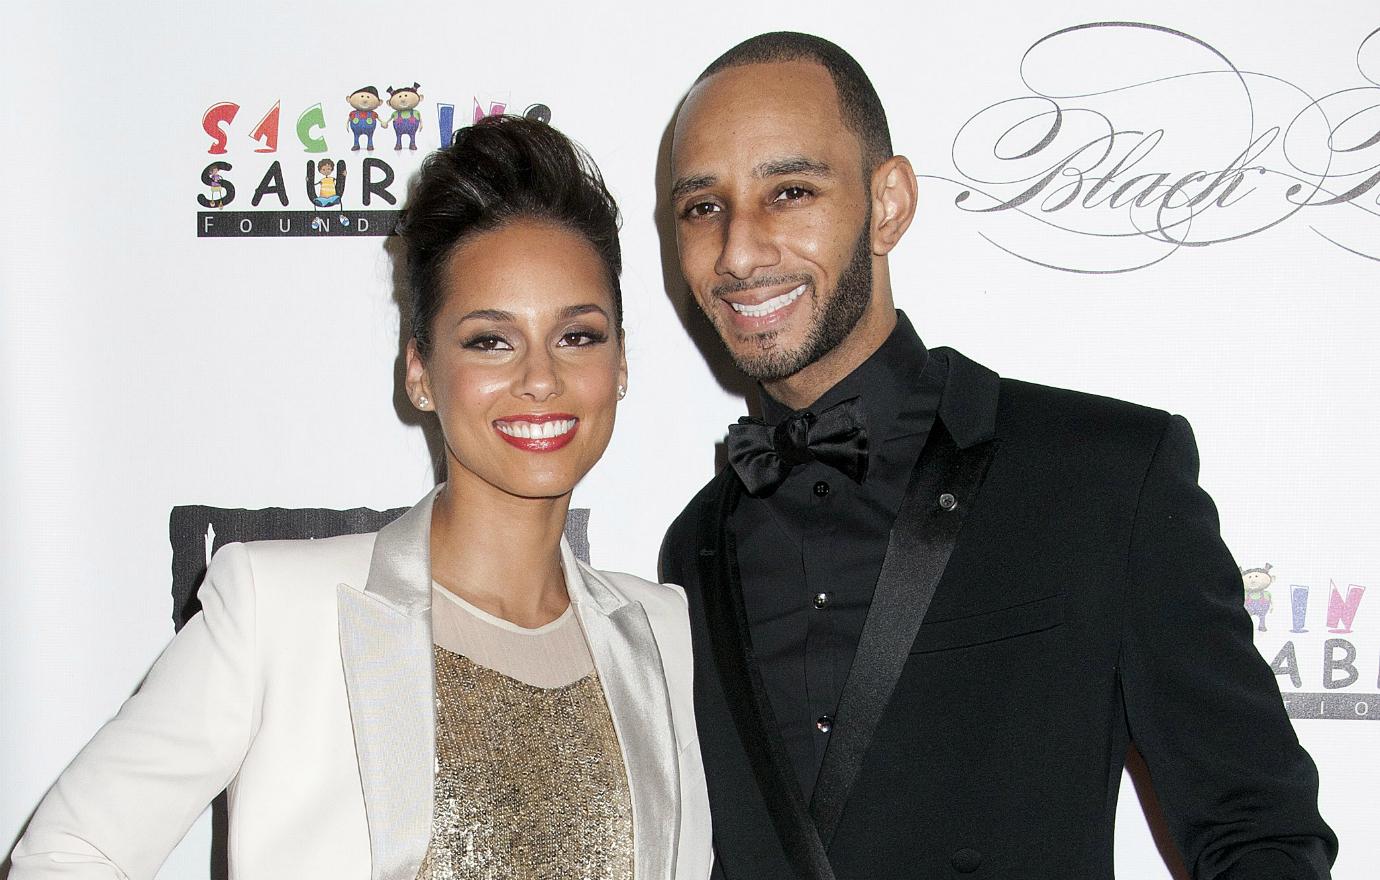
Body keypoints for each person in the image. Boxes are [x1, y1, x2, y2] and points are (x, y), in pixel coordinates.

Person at [659, 31, 1336, 880]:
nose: (740, 250)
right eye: (702, 207)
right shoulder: (693, 547)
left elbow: (1259, 832)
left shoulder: (1104, 477)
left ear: (891, 203)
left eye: (789, 191)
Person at [12, 116, 712, 880]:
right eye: (490, 340)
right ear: (419, 369)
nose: (540, 378)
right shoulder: (280, 608)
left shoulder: (662, 632)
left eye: (578, 336)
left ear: (620, 365)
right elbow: (69, 854)